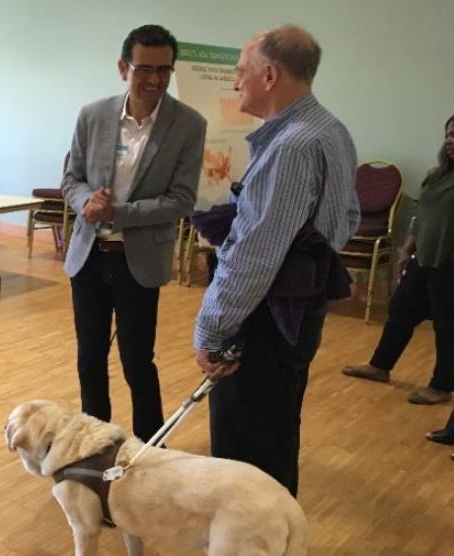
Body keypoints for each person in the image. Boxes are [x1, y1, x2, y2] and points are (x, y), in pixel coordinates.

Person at [193, 25, 360, 497]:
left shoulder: (291, 146)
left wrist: (211, 329)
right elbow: (343, 221)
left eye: (240, 71)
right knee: (275, 431)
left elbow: (253, 256)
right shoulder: (330, 129)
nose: (235, 82)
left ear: (269, 74)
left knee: (246, 453)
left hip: (264, 318)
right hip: (297, 311)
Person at [62, 24, 207, 442]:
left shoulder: (188, 124)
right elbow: (72, 179)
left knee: (137, 360)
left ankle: (150, 448)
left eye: (165, 70)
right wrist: (85, 202)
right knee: (89, 357)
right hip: (88, 255)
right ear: (123, 67)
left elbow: (182, 199)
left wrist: (118, 213)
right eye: (145, 68)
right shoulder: (92, 115)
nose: (155, 80)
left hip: (139, 261)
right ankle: (97, 441)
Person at [342, 115, 454, 405]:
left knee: (447, 326)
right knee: (401, 308)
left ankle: (441, 386)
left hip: (448, 264)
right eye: (448, 135)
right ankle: (380, 366)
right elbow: (420, 215)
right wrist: (406, 249)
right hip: (425, 258)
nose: (450, 141)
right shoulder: (436, 175)